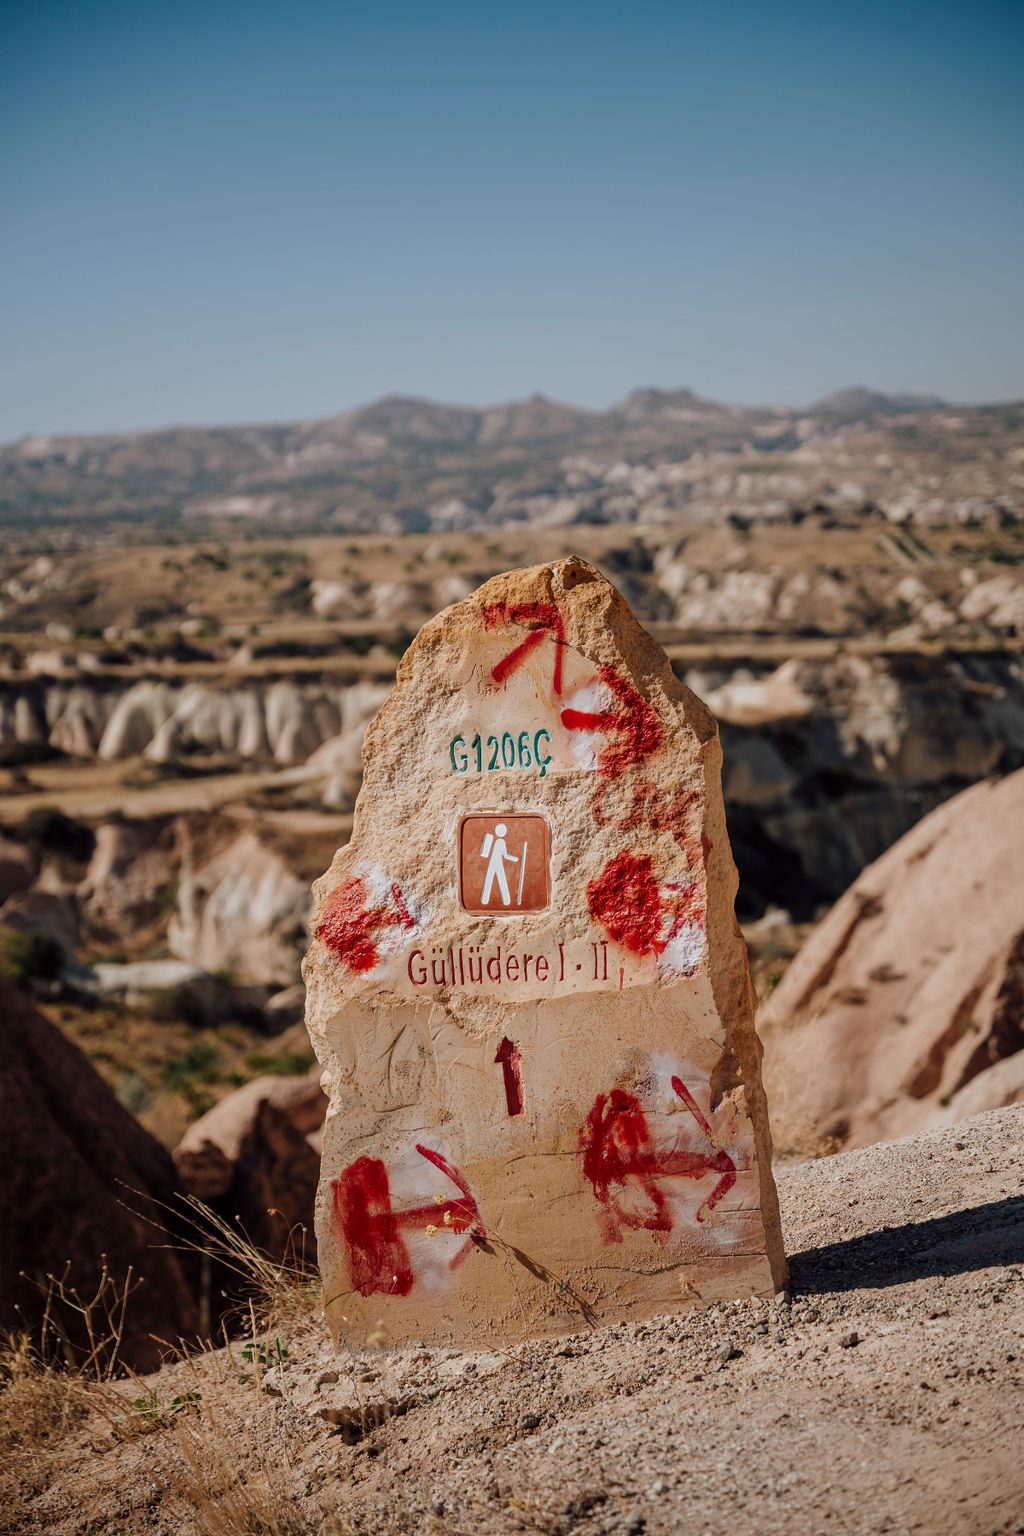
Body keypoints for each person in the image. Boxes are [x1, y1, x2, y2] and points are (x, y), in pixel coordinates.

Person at [480, 822, 519, 906]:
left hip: (494, 862)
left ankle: (486, 900)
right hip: (496, 862)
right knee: (500, 880)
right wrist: (514, 858)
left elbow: (486, 852)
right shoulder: (500, 841)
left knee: (490, 879)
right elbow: (505, 855)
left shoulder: (495, 839)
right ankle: (505, 900)